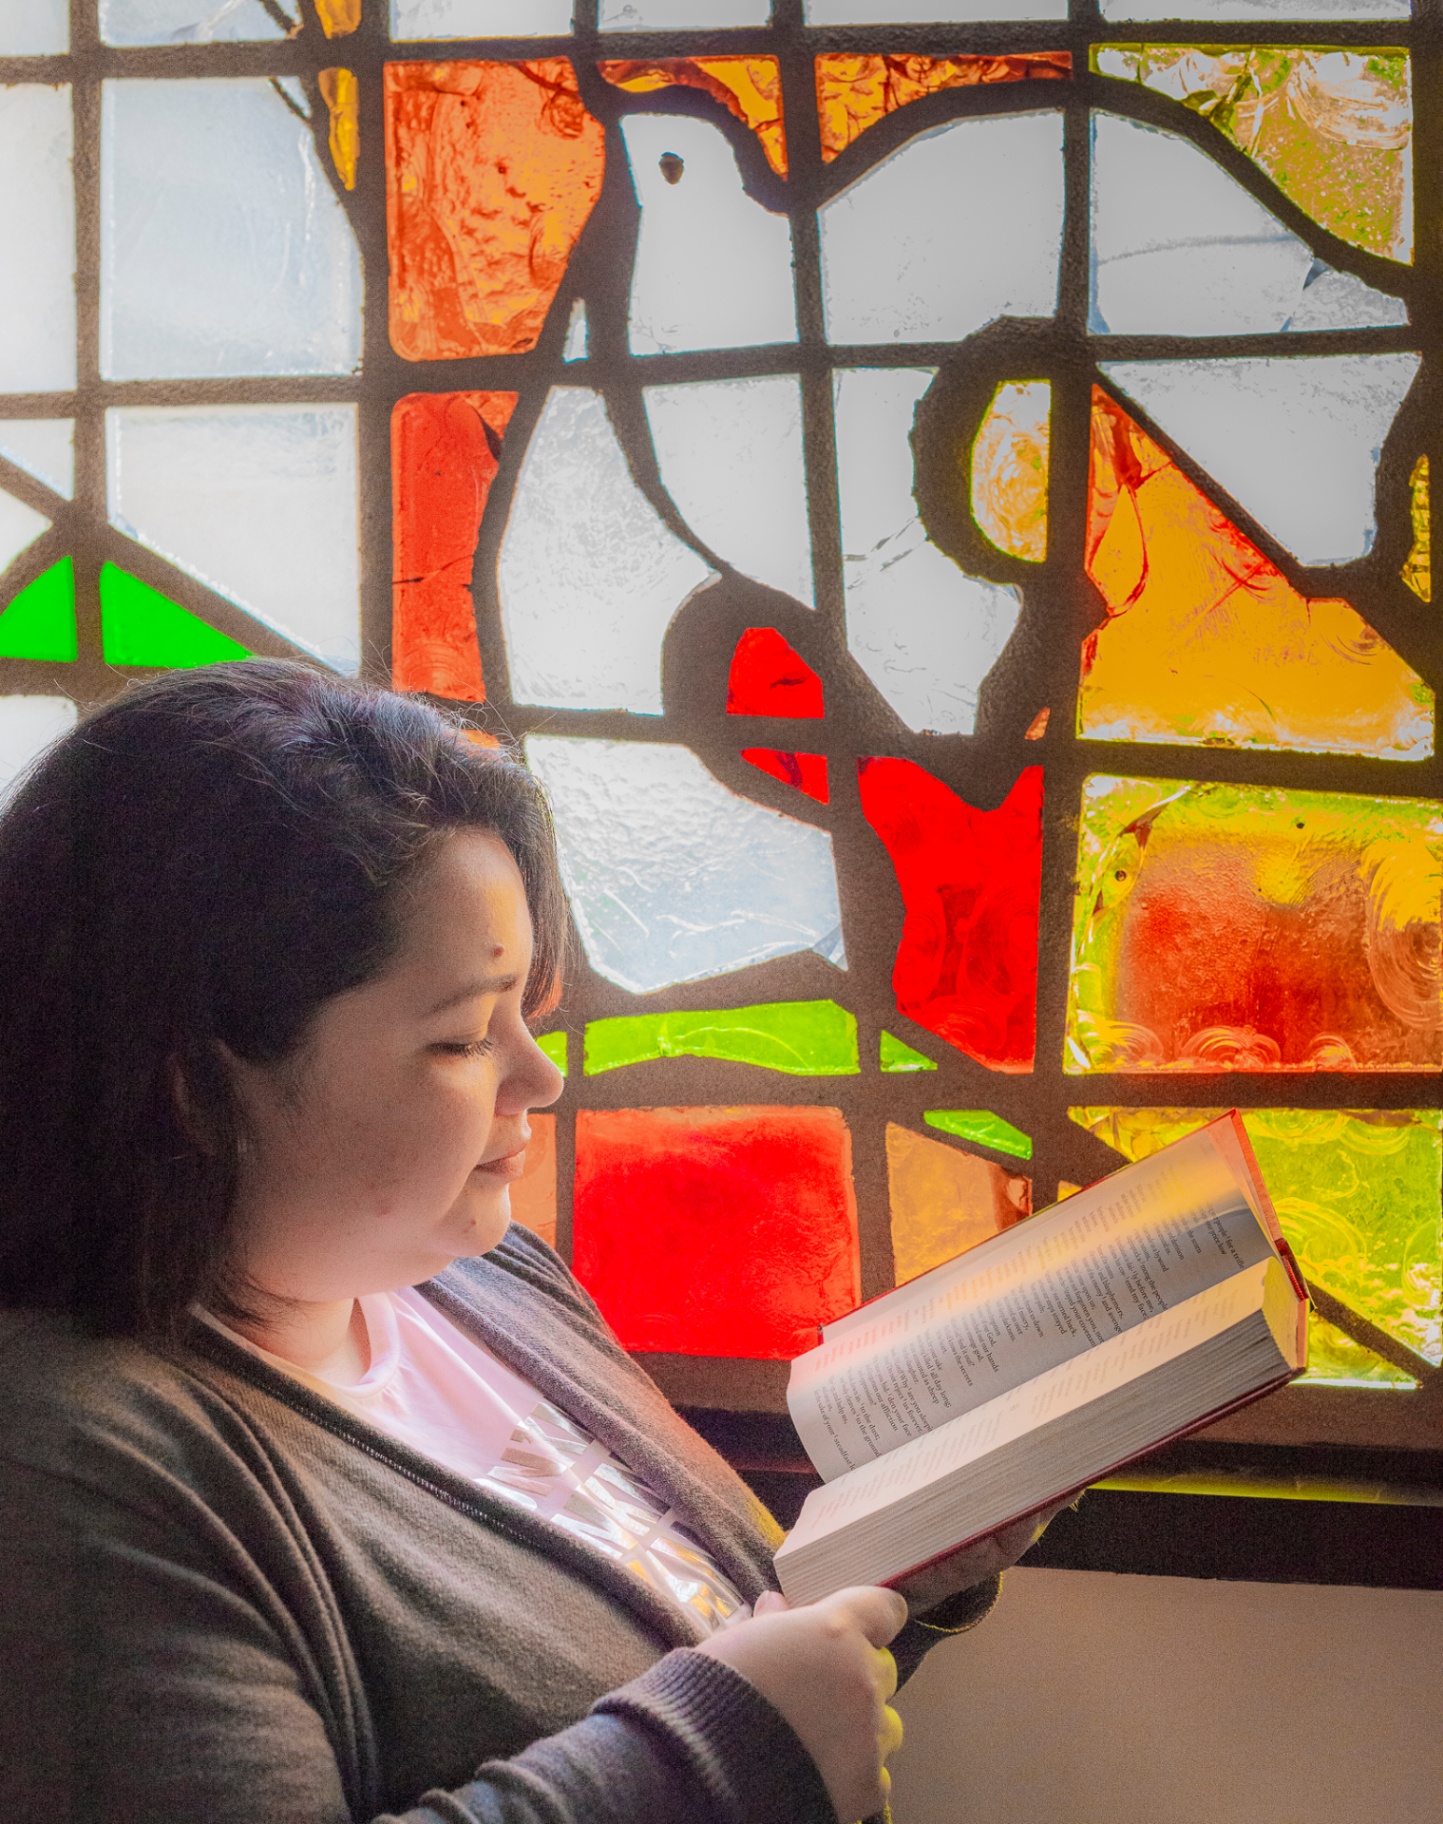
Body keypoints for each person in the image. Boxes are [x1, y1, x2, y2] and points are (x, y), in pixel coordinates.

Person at [0, 662, 1049, 1824]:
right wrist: (727, 1749)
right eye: (461, 1039)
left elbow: (712, 1653)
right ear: (193, 1086)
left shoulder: (481, 1278)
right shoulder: (68, 1470)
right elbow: (716, 1733)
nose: (539, 1078)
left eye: (526, 1017)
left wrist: (897, 1562)